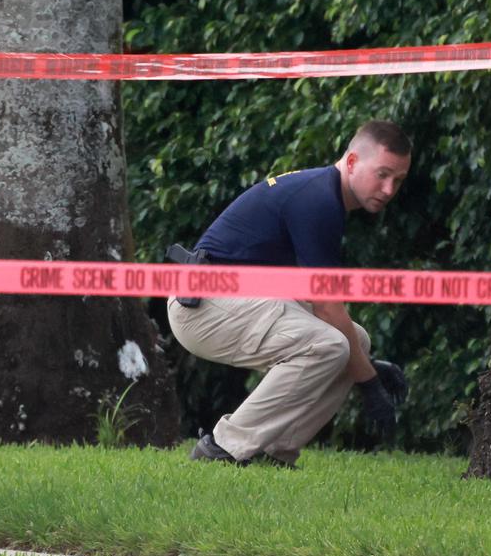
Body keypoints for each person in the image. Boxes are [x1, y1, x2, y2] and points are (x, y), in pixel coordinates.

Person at [168, 120, 412, 467]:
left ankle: (274, 453)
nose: (388, 189)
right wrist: (369, 384)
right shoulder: (318, 200)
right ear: (353, 162)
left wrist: (364, 365)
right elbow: (327, 307)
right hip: (201, 308)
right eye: (382, 174)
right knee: (330, 344)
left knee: (356, 339)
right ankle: (222, 448)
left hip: (233, 301)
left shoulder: (323, 193)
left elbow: (322, 304)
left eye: (398, 180)